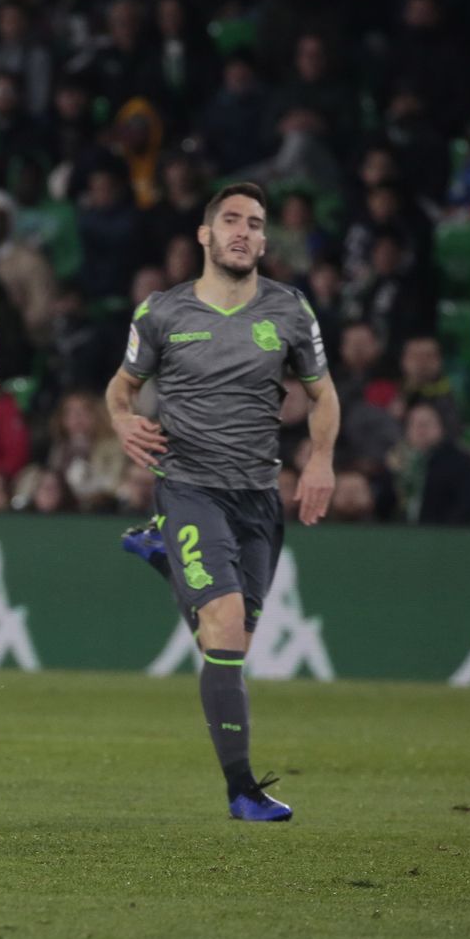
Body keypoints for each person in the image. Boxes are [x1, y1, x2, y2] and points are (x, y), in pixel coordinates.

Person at [108, 183, 339, 822]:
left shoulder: (291, 311)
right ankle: (242, 790)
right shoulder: (161, 314)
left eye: (255, 223)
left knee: (229, 643)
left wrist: (319, 459)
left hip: (260, 498)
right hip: (188, 487)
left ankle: (163, 558)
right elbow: (120, 389)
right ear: (205, 236)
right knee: (227, 624)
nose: (244, 231)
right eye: (231, 220)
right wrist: (124, 422)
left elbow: (323, 394)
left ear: (265, 240)